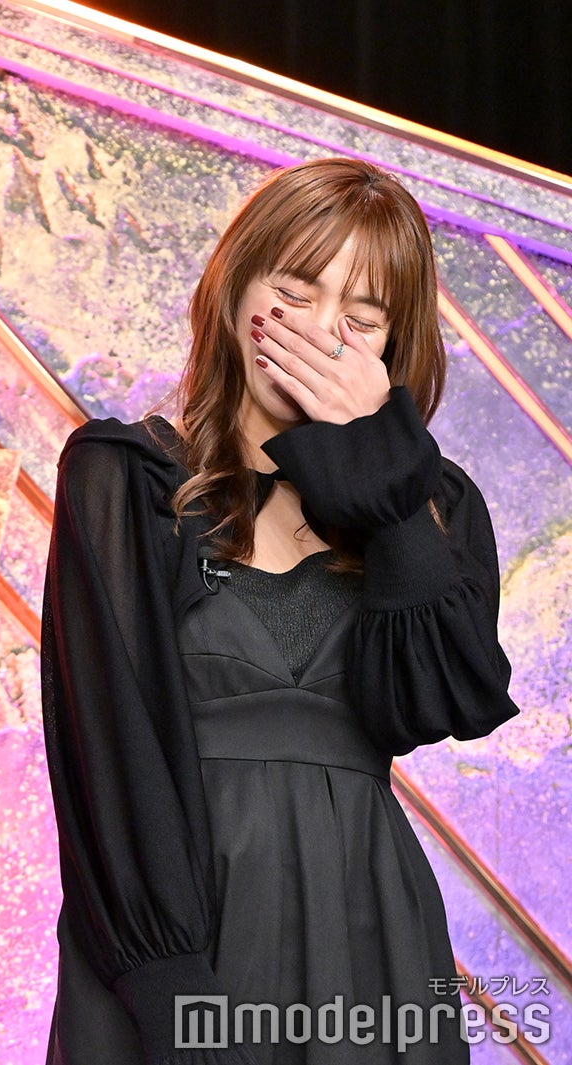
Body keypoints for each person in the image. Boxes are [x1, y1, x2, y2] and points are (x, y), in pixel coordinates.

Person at [41, 157, 519, 1065]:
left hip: (368, 933)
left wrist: (386, 486)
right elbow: (106, 750)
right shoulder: (127, 476)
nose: (317, 332)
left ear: (392, 348)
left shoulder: (435, 506)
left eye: (361, 319)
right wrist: (171, 991)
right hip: (173, 941)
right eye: (293, 293)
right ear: (234, 290)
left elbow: (437, 705)